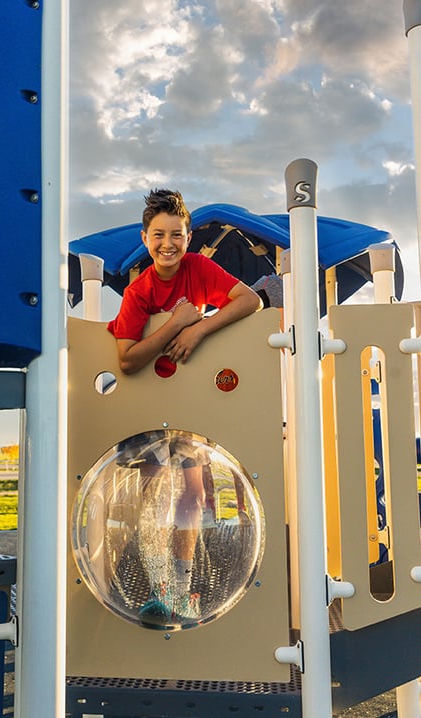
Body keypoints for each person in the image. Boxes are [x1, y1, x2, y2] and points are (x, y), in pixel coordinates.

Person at [108, 189, 261, 626]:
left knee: (192, 496)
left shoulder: (198, 269)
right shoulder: (139, 292)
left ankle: (182, 585)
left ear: (188, 237)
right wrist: (176, 324)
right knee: (153, 496)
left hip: (192, 405)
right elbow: (127, 359)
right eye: (158, 235)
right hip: (149, 407)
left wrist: (199, 331)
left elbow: (250, 300)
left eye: (176, 234)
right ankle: (159, 588)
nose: (168, 244)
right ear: (145, 237)